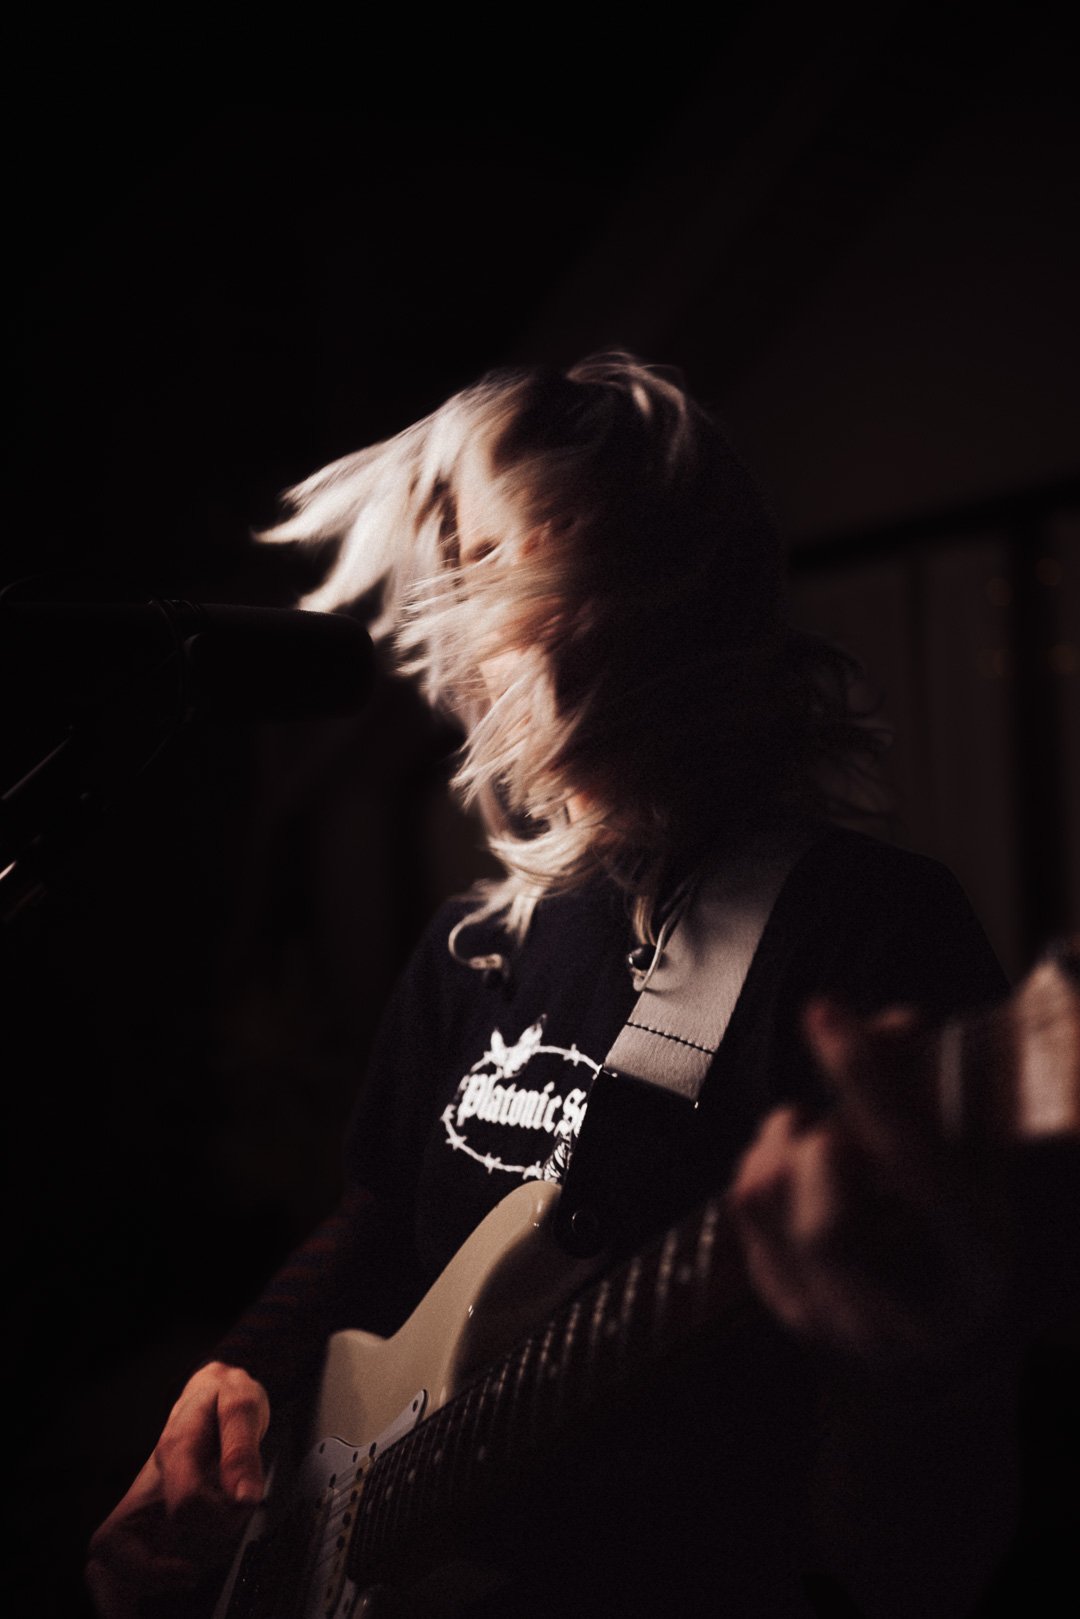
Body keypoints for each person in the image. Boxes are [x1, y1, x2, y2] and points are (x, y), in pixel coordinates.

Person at [86, 354, 1020, 1618]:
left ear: (666, 595)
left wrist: (916, 1362)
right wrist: (240, 1365)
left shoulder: (867, 931)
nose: (468, 627)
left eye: (508, 564)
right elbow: (377, 1211)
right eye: (458, 566)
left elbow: (926, 1550)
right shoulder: (480, 938)